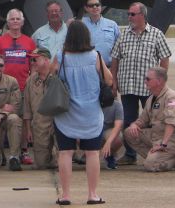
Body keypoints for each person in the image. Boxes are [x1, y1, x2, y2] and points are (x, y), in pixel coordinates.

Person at [53, 20, 112, 205]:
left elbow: (49, 76)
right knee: (92, 153)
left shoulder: (61, 56)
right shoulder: (95, 56)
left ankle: (65, 195)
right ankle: (92, 194)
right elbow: (109, 80)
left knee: (65, 153)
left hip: (66, 113)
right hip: (91, 114)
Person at [110, 2, 171, 165]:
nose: (129, 17)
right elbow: (115, 58)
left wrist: (161, 81)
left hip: (149, 88)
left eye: (132, 14)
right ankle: (130, 154)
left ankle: (154, 149)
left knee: (152, 121)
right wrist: (114, 81)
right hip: (128, 86)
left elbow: (165, 58)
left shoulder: (156, 34)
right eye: (128, 14)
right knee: (129, 120)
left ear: (142, 15)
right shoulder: (124, 35)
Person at [0, 8, 36, 164]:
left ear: (22, 22)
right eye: (12, 19)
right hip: (4, 88)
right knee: (5, 118)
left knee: (23, 119)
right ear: (8, 22)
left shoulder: (29, 42)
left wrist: (31, 82)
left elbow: (33, 64)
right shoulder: (0, 41)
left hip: (23, 86)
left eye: (18, 19)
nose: (15, 22)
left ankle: (23, 151)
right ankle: (3, 152)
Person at [124, 67, 175, 172]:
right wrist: (135, 125)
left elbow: (171, 122)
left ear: (159, 81)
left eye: (148, 79)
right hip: (156, 136)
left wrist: (163, 144)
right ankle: (157, 156)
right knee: (129, 132)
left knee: (150, 166)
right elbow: (143, 120)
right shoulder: (151, 98)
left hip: (173, 139)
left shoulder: (171, 98)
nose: (145, 81)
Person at [23, 48, 57, 169]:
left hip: (58, 123)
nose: (32, 62)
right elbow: (26, 108)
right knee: (41, 164)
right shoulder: (31, 80)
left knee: (60, 161)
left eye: (35, 59)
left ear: (47, 60)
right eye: (31, 60)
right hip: (40, 125)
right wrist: (28, 130)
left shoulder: (58, 76)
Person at [81, 0, 120, 67]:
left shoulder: (112, 25)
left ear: (101, 6)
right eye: (91, 5)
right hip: (87, 69)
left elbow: (119, 47)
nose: (95, 7)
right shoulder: (80, 24)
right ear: (86, 8)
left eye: (97, 4)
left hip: (108, 68)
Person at [101, 98, 124, 170]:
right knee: (79, 136)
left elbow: (118, 126)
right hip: (92, 130)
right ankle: (86, 154)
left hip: (106, 131)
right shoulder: (91, 103)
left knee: (117, 139)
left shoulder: (117, 105)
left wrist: (108, 143)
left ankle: (109, 155)